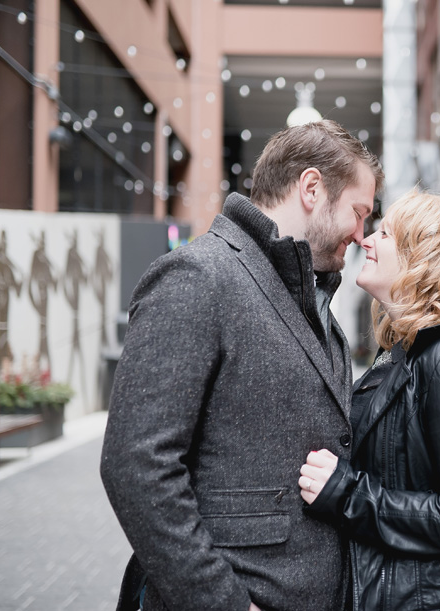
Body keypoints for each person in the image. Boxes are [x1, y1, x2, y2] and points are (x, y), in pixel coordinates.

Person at [100, 119, 384, 611]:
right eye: (359, 213)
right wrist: (221, 602)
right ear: (312, 188)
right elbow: (136, 464)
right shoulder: (198, 276)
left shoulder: (313, 300)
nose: (362, 235)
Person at [298, 191, 440, 611]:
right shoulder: (403, 355)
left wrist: (345, 494)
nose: (367, 240)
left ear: (424, 257)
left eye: (387, 233)